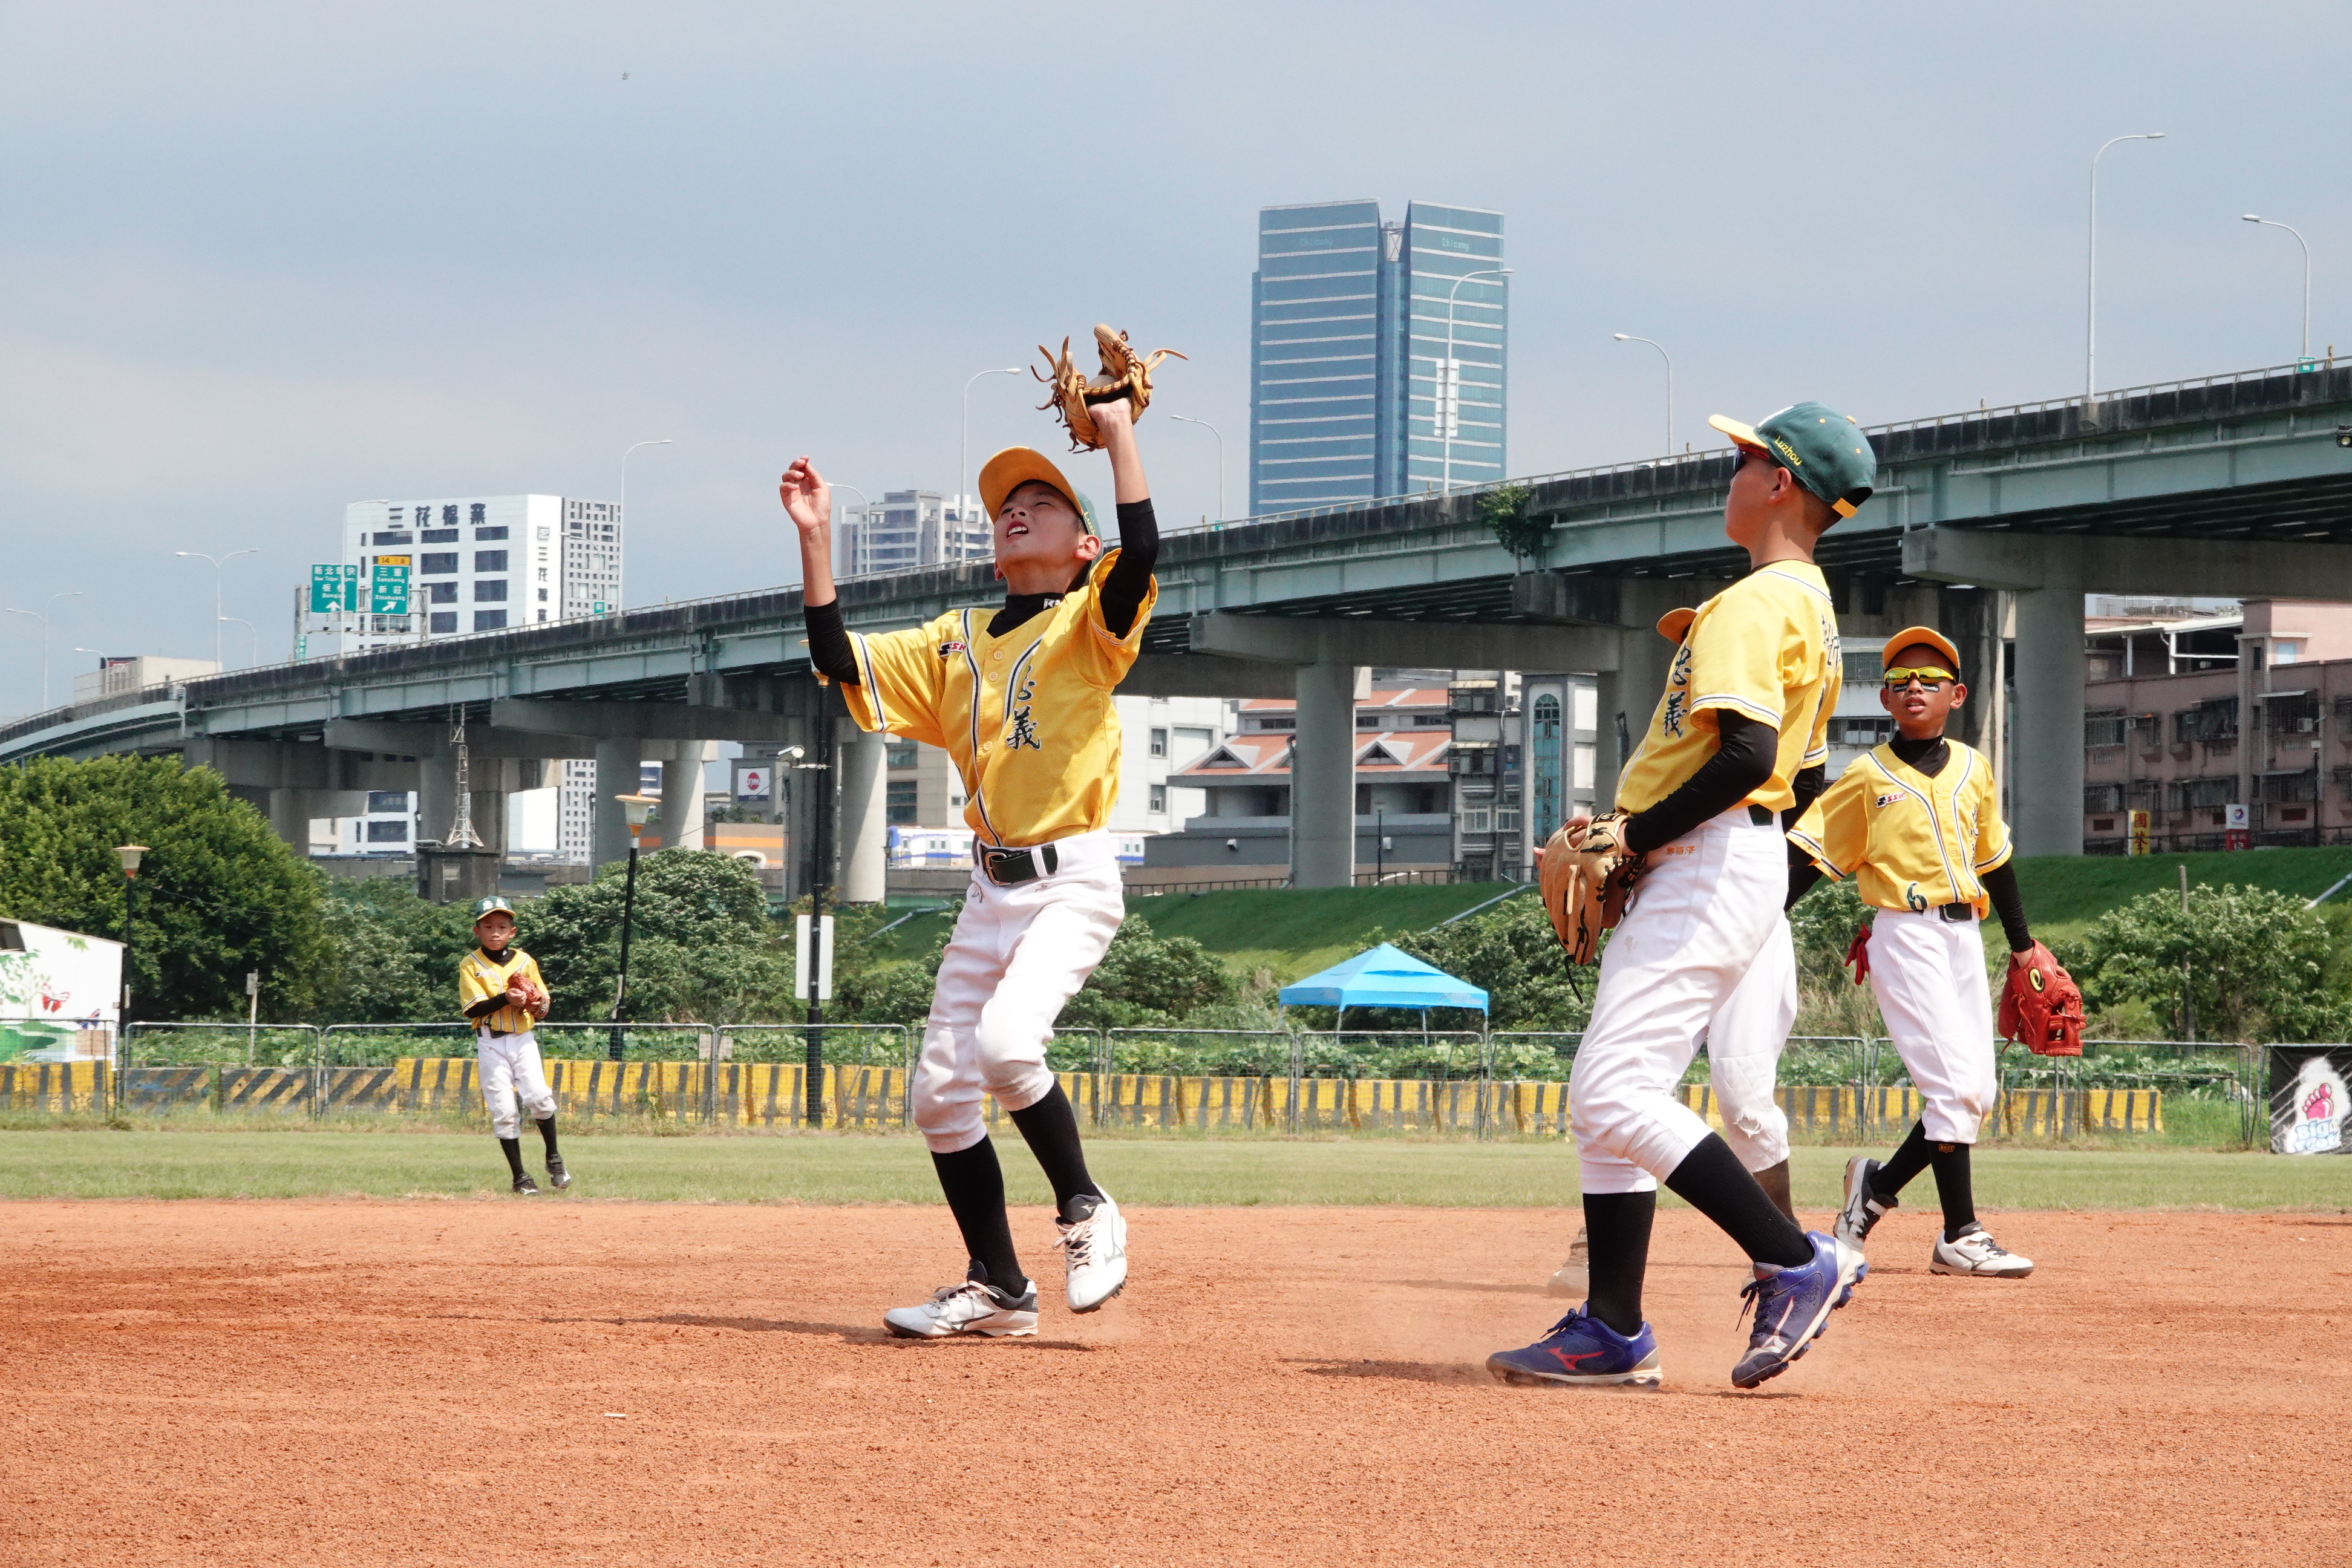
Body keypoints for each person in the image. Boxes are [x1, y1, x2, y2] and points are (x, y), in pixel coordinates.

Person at [1489, 403, 1875, 1391]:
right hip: (1719, 855)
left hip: (1706, 855)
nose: (1729, 474)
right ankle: (1611, 1328)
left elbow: (1746, 756)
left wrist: (1634, 834)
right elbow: (1800, 772)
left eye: (1743, 460)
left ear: (1779, 483)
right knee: (1608, 1101)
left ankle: (1794, 1258)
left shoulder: (1752, 603)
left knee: (1610, 1093)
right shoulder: (1808, 604)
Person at [779, 396, 1157, 1339]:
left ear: (1085, 547)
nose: (1017, 510)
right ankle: (999, 1286)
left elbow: (1143, 552)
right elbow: (838, 657)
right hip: (990, 889)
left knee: (1007, 1047)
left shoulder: (1090, 623)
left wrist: (1119, 436)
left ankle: (1087, 1209)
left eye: (1043, 501)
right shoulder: (955, 638)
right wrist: (816, 538)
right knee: (941, 1097)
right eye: (1006, 507)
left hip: (1072, 879)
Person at [1788, 627, 2037, 1278]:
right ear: (1885, 699)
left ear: (1958, 695)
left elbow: (1995, 861)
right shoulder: (1866, 776)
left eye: (1930, 679)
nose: (1914, 688)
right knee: (1953, 1091)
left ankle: (1873, 1191)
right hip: (1905, 933)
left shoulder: (1974, 768)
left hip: (1965, 936)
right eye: (1900, 681)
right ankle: (1961, 1234)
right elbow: (1809, 858)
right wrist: (1754, 918)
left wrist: (2024, 947)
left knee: (1976, 1093)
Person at [458, 895, 566, 1195]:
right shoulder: (470, 964)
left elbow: (543, 1004)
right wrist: (506, 998)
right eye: (488, 926)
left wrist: (535, 1003)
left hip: (522, 1039)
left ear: (512, 932)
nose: (495, 932)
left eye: (502, 926)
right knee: (505, 1112)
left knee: (540, 1098)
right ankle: (521, 1178)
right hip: (490, 1043)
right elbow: (472, 1009)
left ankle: (554, 1159)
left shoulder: (525, 961)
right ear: (477, 931)